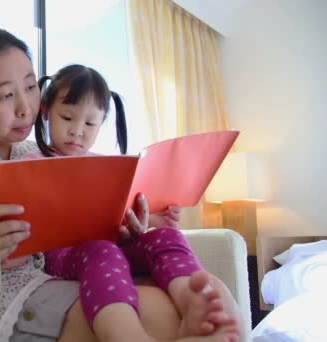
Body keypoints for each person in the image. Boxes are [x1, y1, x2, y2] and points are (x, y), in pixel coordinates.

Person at [0, 26, 240, 342]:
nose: (26, 108)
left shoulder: (47, 152)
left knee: (218, 295)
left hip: (80, 271)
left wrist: (127, 225)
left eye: (30, 87)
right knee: (163, 315)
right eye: (4, 96)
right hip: (8, 295)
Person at [23, 64, 238, 339]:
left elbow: (120, 215)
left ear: (101, 123)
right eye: (67, 118)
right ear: (46, 112)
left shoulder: (108, 167)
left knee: (166, 236)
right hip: (64, 255)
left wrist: (154, 219)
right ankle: (126, 334)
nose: (77, 131)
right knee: (102, 250)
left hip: (113, 248)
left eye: (90, 123)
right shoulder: (32, 163)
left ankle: (191, 300)